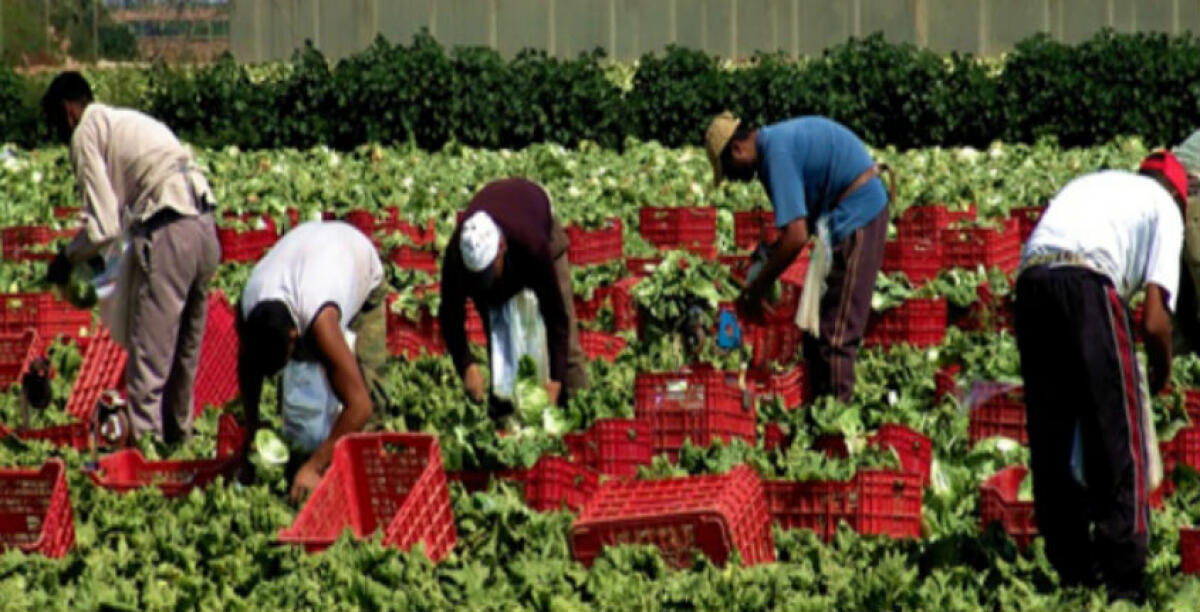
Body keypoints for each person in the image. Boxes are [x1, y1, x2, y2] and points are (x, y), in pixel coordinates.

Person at [1014, 152, 1188, 603]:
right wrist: (1161, 372)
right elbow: (1154, 322)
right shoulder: (1165, 209)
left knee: (1053, 431)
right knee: (1117, 433)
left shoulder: (1103, 187)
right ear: (1179, 197)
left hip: (1032, 281)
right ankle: (1124, 578)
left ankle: (1070, 568)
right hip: (1086, 281)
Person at [41, 71, 220, 443]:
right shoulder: (120, 121)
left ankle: (146, 452)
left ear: (68, 111)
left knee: (150, 354)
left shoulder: (86, 133)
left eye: (56, 122)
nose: (59, 134)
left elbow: (103, 228)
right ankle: (177, 441)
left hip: (170, 227)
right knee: (184, 351)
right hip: (204, 225)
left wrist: (66, 259)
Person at [705, 112, 889, 402]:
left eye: (728, 170)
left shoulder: (775, 154)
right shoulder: (773, 147)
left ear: (737, 149)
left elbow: (796, 237)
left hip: (858, 216)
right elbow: (793, 227)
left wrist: (758, 287)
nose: (733, 180)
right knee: (814, 334)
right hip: (839, 220)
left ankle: (837, 426)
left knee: (836, 336)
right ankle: (816, 411)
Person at [236, 221, 388, 501]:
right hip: (310, 257)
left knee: (364, 387)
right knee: (304, 400)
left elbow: (361, 405)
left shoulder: (320, 323)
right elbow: (248, 369)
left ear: (294, 336)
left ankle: (365, 483)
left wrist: (314, 467)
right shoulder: (249, 310)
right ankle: (305, 457)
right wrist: (251, 429)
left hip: (356, 258)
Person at [439, 178, 587, 420]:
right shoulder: (457, 255)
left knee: (567, 349)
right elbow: (450, 314)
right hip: (507, 234)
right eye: (478, 276)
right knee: (502, 348)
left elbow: (556, 315)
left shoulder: (532, 245)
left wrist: (556, 380)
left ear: (501, 248)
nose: (484, 279)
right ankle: (505, 420)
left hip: (540, 226)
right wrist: (466, 364)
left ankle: (581, 419)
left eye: (488, 272)